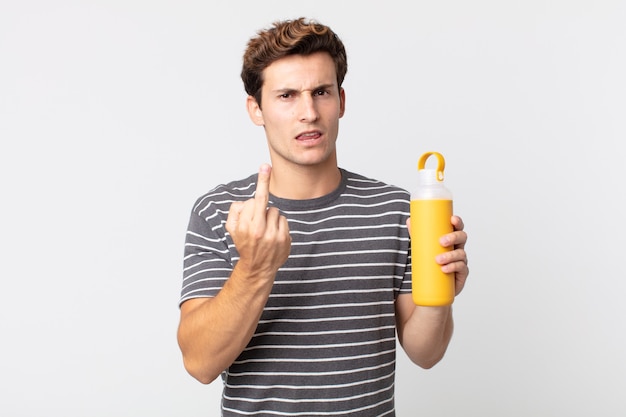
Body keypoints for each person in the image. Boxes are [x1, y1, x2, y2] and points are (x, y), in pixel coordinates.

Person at [177, 17, 469, 416]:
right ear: (256, 109)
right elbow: (199, 362)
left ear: (341, 101)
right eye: (286, 96)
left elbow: (426, 352)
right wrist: (256, 268)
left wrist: (440, 295)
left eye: (321, 92)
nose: (309, 112)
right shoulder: (221, 212)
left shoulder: (396, 209)